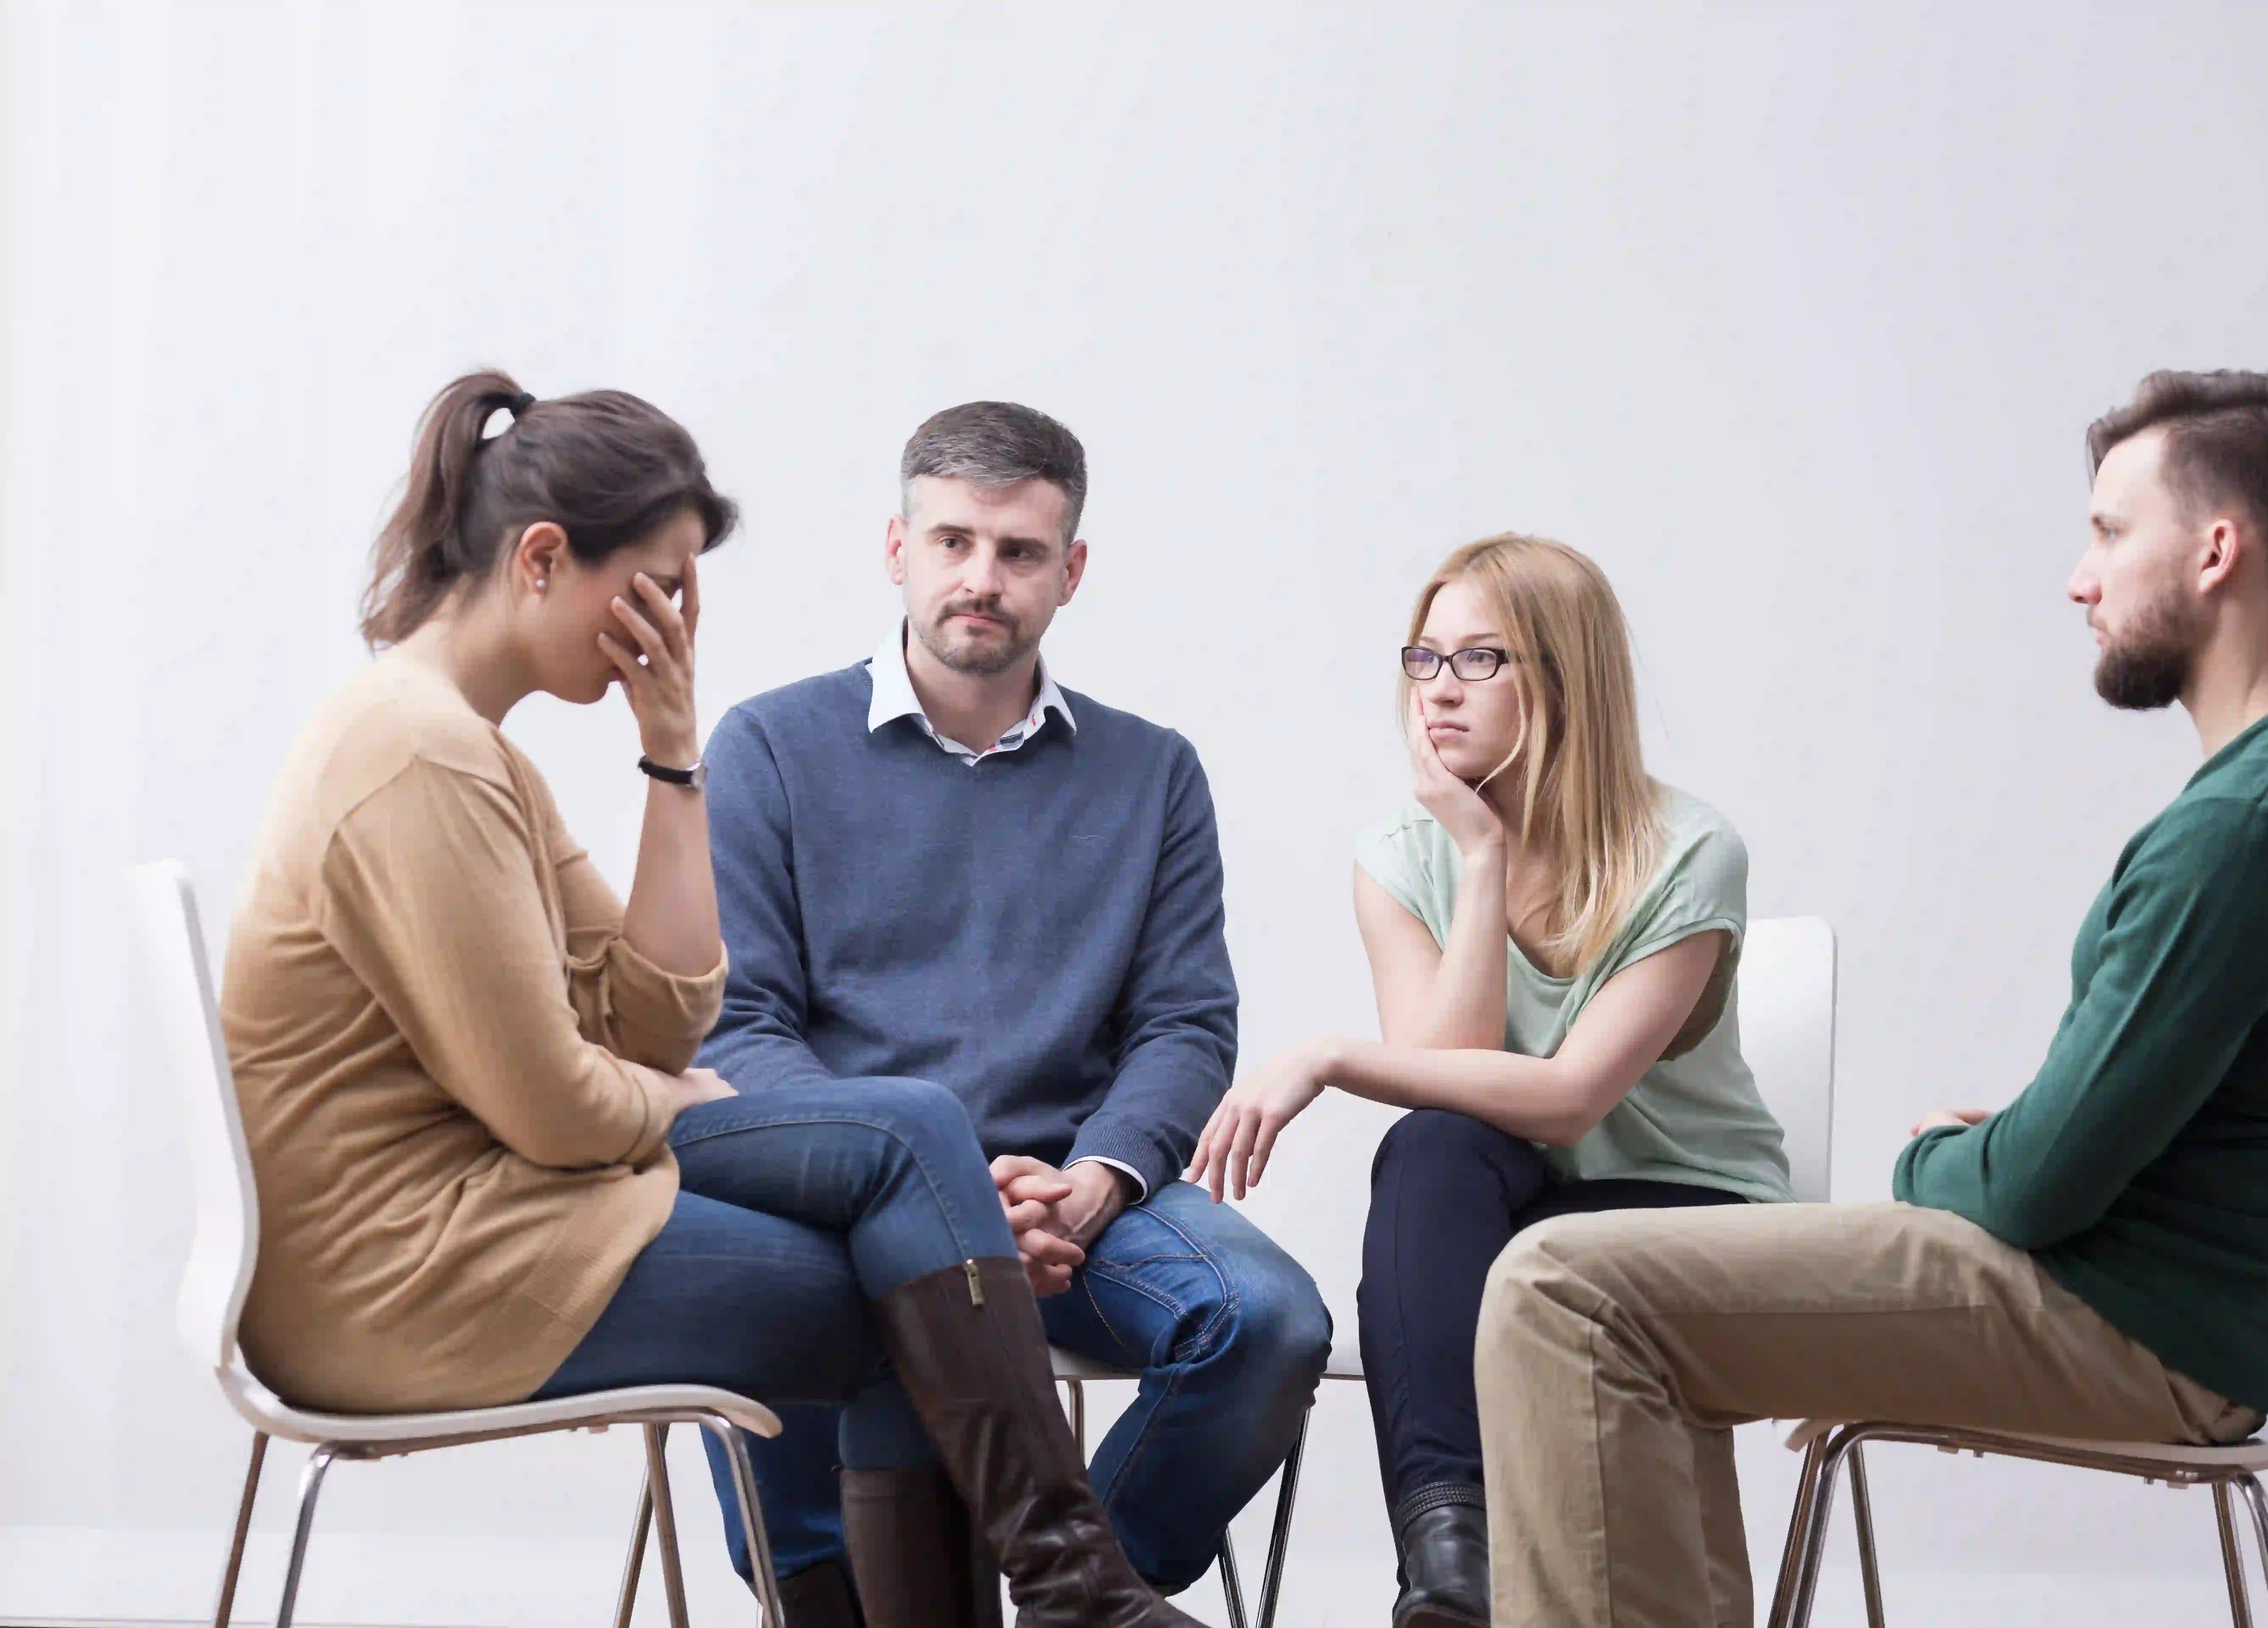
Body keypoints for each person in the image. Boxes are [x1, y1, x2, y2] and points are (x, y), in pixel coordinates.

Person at [218, 372, 1210, 1628]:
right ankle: (1078, 1593)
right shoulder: (417, 752)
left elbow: (653, 1017)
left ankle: (1064, 1594)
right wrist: (682, 1095)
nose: (679, 622)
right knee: (918, 1244)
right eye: (664, 585)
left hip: (476, 1225)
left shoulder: (473, 749)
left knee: (921, 1200)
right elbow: (567, 1111)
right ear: (543, 559)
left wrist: (673, 750)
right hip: (405, 1277)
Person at [1473, 370, 2268, 1628]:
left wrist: (1943, 1158)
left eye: (2108, 533)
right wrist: (2029, 1140)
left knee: (1562, 1290)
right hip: (2195, 1297)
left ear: (2216, 551)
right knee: (1623, 1300)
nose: (2080, 579)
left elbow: (2037, 1188)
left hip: (2135, 1320)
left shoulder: (2252, 827)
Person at [697, 400, 1333, 1623]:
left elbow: (1186, 1022)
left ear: (1070, 571)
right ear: (898, 549)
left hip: (1076, 1204)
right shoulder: (771, 748)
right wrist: (926, 1196)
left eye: (1020, 553)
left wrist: (1095, 1177)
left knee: (1263, 1323)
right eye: (952, 543)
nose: (980, 580)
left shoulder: (1152, 772)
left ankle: (1082, 1599)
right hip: (850, 1201)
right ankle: (840, 1603)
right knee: (771, 1316)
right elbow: (744, 1026)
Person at [1186, 534, 1792, 1627]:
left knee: (1504, 1238)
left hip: (1687, 1209)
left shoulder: (1688, 851)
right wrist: (1479, 860)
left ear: (1564, 680)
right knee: (1432, 1150)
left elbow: (1570, 1099)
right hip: (1515, 1216)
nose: (1438, 693)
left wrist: (1324, 1055)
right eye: (1424, 660)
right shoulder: (1404, 855)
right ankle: (1451, 1573)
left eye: (1481, 661)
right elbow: (1445, 1088)